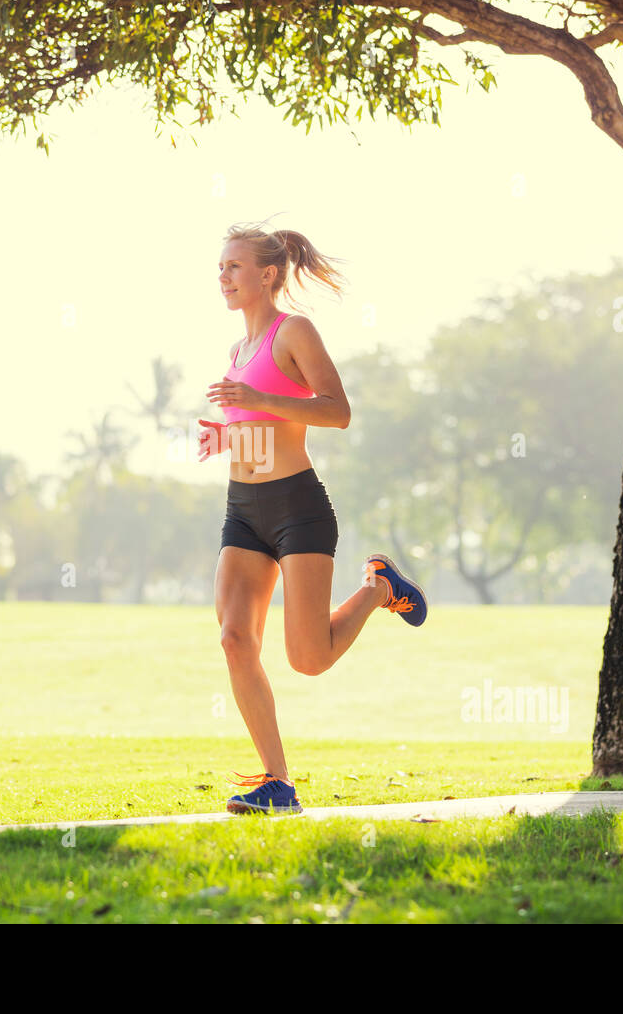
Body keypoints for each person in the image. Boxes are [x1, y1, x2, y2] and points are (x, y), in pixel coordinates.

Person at [198, 222, 428, 816]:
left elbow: (337, 411)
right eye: (220, 267)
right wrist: (223, 436)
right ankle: (278, 784)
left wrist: (259, 404)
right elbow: (255, 423)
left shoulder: (292, 330)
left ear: (268, 274)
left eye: (233, 267)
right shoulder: (237, 350)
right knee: (233, 638)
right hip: (242, 511)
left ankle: (379, 589)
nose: (222, 277)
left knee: (309, 658)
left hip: (297, 507)